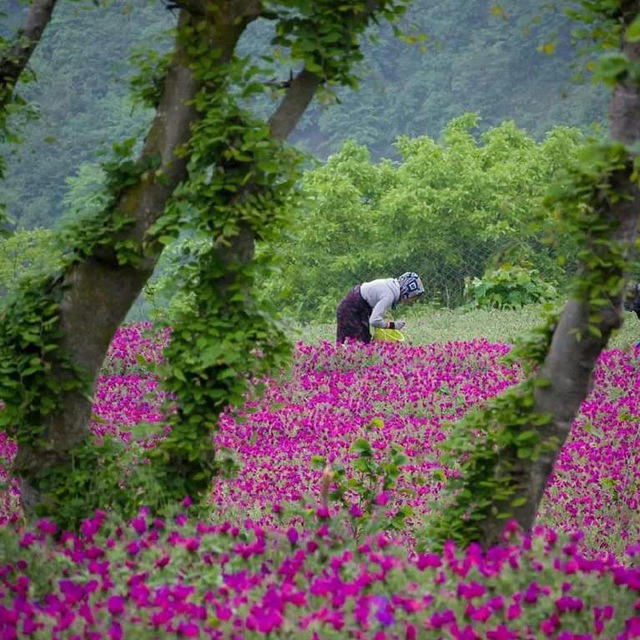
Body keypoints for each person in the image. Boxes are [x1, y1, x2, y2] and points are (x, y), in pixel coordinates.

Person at [336, 272, 425, 344]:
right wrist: (392, 325)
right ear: (407, 291)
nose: (411, 301)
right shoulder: (389, 295)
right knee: (359, 344)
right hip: (351, 310)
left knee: (363, 341)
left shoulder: (391, 286)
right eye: (412, 297)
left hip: (356, 306)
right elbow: (374, 321)